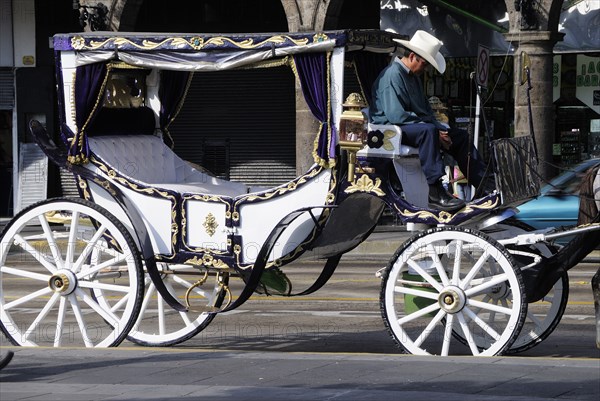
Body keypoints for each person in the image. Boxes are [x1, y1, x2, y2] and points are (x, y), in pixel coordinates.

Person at [370, 30, 492, 212]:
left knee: (460, 137)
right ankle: (435, 193)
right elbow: (397, 116)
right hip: (390, 131)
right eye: (425, 64)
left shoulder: (412, 77)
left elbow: (426, 111)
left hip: (411, 127)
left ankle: (484, 184)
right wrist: (434, 131)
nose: (425, 69)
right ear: (412, 57)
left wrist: (441, 130)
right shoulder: (392, 75)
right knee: (427, 132)